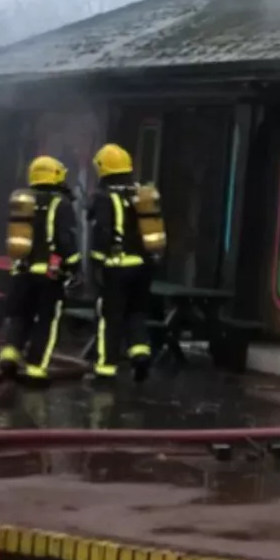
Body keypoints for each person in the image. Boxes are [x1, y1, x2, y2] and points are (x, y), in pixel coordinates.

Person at [0, 155, 80, 384]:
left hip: (21, 272)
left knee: (19, 316)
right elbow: (66, 239)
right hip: (48, 275)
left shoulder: (23, 201)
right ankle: (36, 369)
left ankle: (9, 355)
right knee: (46, 321)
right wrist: (75, 266)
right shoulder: (60, 204)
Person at [87, 142, 159, 382]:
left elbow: (102, 235)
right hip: (142, 266)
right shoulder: (140, 194)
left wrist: (96, 266)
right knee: (136, 312)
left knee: (111, 318)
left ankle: (105, 369)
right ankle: (140, 353)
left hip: (116, 268)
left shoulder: (104, 198)